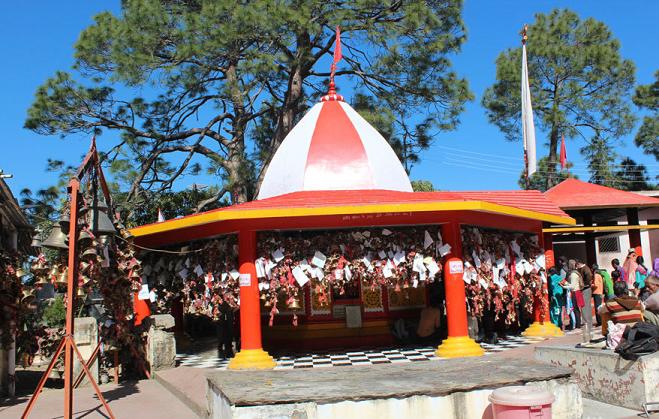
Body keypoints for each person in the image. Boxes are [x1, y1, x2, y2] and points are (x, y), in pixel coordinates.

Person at [576, 260, 594, 341]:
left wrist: (585, 284)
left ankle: (587, 324)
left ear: (579, 264)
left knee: (585, 307)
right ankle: (587, 323)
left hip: (585, 289)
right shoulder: (583, 269)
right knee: (585, 307)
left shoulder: (585, 269)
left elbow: (589, 276)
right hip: (584, 289)